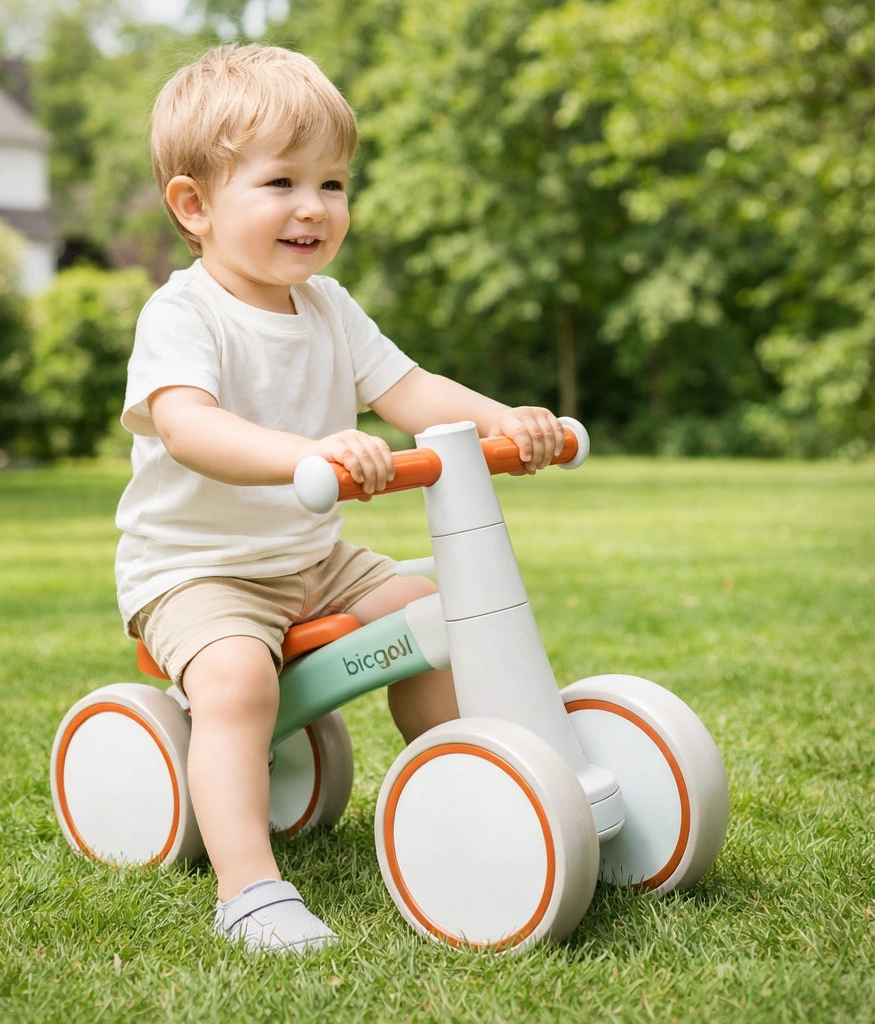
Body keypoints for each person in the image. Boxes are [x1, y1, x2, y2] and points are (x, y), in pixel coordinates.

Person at [115, 42, 566, 954]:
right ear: (194, 206)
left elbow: (410, 391)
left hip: (314, 560)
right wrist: (304, 454)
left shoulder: (328, 306)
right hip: (200, 571)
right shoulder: (183, 314)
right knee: (239, 683)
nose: (315, 208)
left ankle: (469, 783)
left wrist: (507, 422)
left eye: (334, 183)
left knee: (442, 615)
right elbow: (190, 426)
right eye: (281, 182)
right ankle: (249, 889)